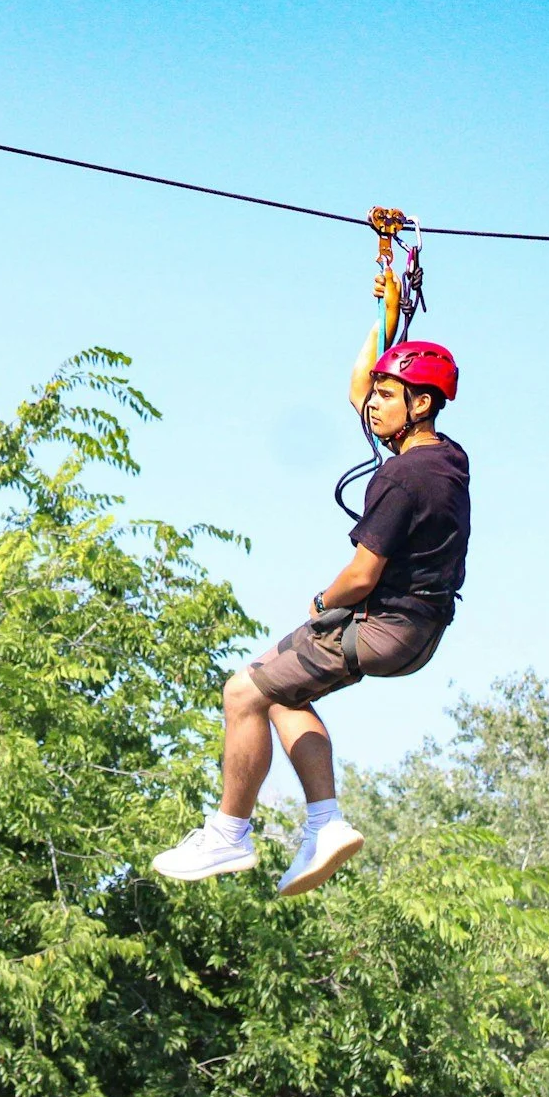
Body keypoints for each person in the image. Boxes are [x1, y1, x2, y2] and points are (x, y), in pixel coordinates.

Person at [152, 340, 469, 896]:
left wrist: (324, 601)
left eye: (387, 396)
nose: (371, 406)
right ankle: (325, 825)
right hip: (420, 626)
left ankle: (230, 834)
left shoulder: (402, 478)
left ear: (419, 405)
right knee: (281, 690)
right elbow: (358, 386)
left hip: (381, 623)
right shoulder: (446, 458)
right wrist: (388, 302)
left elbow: (361, 576)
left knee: (242, 694)